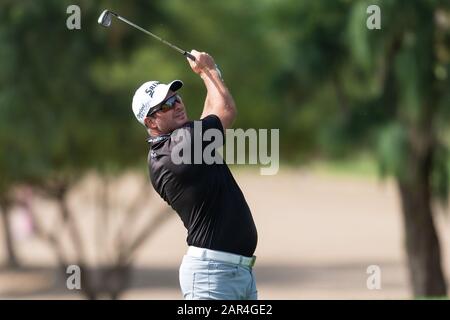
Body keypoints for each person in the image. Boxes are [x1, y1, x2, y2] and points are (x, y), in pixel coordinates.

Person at [131, 50, 258, 300]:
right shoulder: (181, 144)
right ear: (151, 121)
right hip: (214, 275)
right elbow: (226, 110)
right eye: (165, 105)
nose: (177, 104)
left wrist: (208, 75)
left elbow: (207, 118)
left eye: (176, 97)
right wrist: (208, 71)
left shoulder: (170, 148)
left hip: (230, 273)